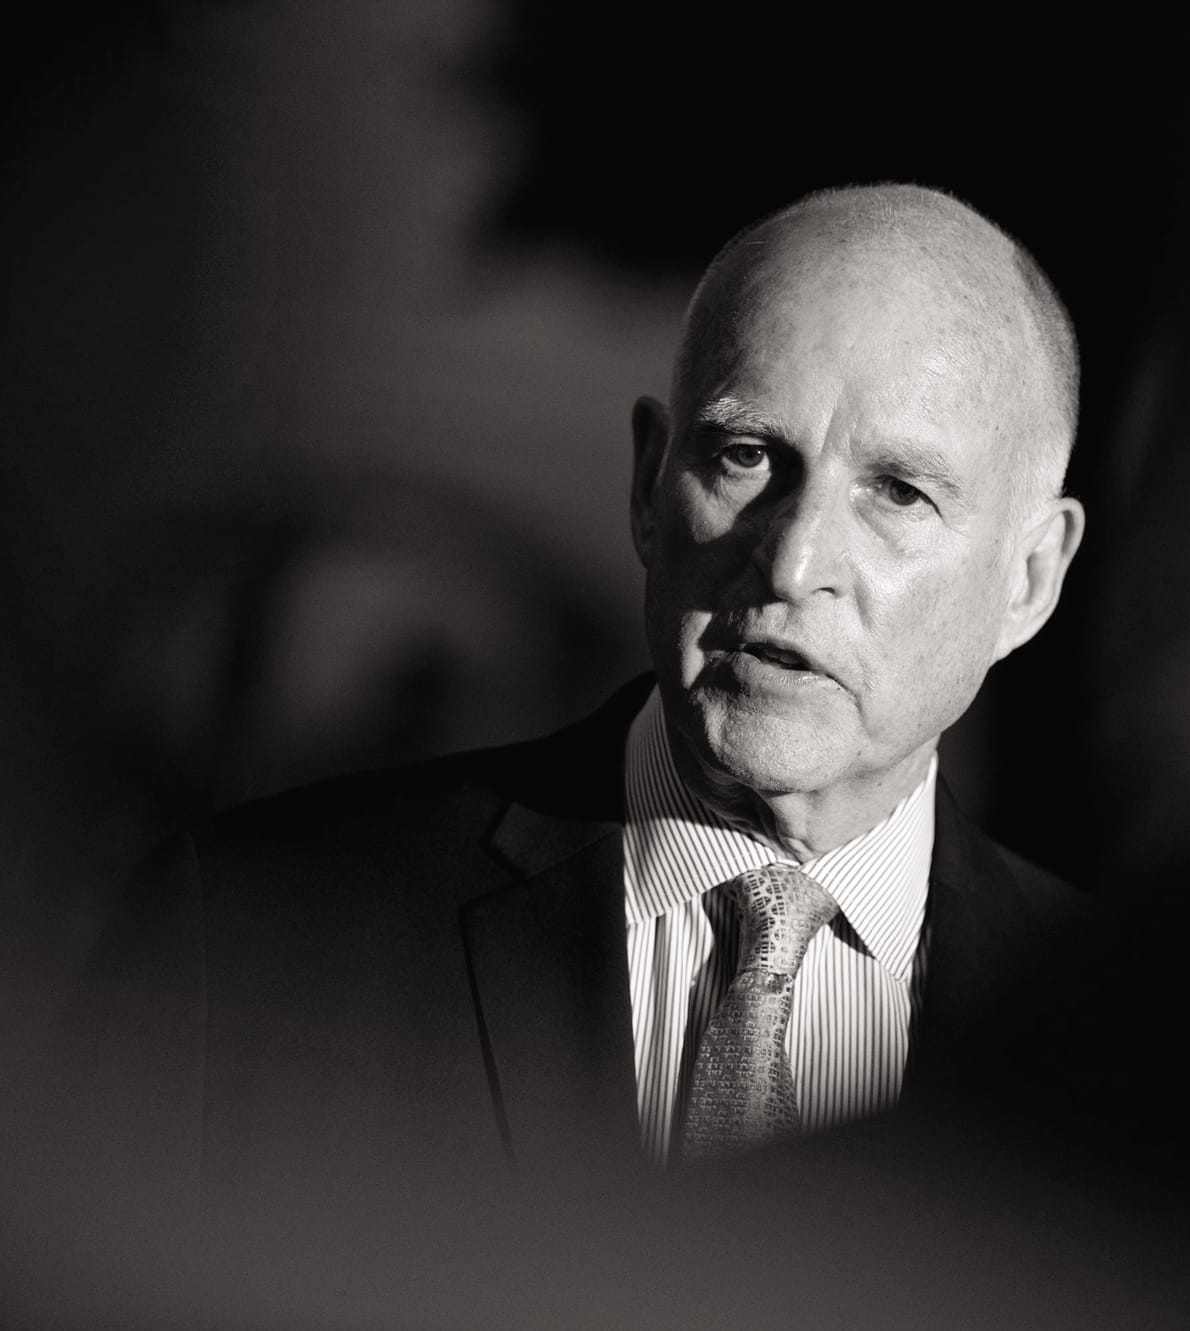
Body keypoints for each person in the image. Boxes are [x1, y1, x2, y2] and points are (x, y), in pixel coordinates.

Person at [73, 183, 1090, 1278]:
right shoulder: (244, 942)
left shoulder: (1141, 1054)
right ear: (650, 483)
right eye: (746, 454)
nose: (794, 563)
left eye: (896, 492)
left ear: (1030, 577)